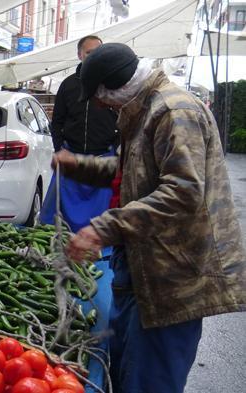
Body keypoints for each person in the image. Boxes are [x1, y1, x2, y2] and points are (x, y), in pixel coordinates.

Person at [54, 43, 246, 393]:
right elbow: (131, 173)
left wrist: (103, 228)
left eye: (100, 98)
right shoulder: (145, 111)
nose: (100, 106)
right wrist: (77, 164)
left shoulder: (174, 111)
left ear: (114, 88)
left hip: (172, 278)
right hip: (143, 270)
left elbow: (184, 192)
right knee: (126, 372)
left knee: (149, 382)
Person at [39, 35, 118, 232]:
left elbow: (122, 122)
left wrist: (116, 150)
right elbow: (57, 121)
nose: (93, 57)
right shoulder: (68, 85)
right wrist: (59, 148)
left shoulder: (112, 84)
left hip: (102, 162)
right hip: (70, 160)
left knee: (101, 225)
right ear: (80, 54)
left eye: (97, 53)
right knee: (55, 222)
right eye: (89, 52)